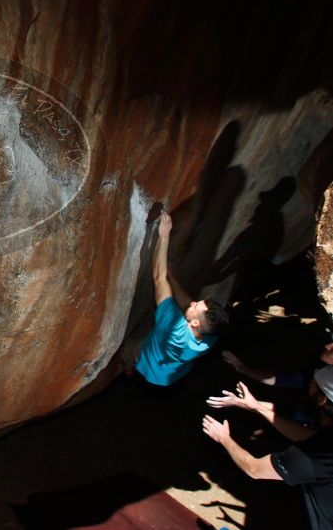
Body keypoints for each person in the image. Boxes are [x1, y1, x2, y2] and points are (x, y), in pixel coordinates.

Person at [203, 368, 333, 530]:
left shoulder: (318, 455)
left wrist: (223, 437)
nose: (309, 383)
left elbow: (254, 468)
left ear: (321, 399)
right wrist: (256, 407)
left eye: (314, 382)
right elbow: (307, 435)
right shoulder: (324, 440)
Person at [132, 210, 229, 388]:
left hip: (147, 371)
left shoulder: (172, 324)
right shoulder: (210, 337)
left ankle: (128, 370)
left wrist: (164, 236)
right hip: (170, 378)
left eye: (196, 306)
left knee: (126, 349)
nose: (192, 302)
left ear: (194, 324)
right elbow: (186, 303)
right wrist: (173, 277)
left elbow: (158, 278)